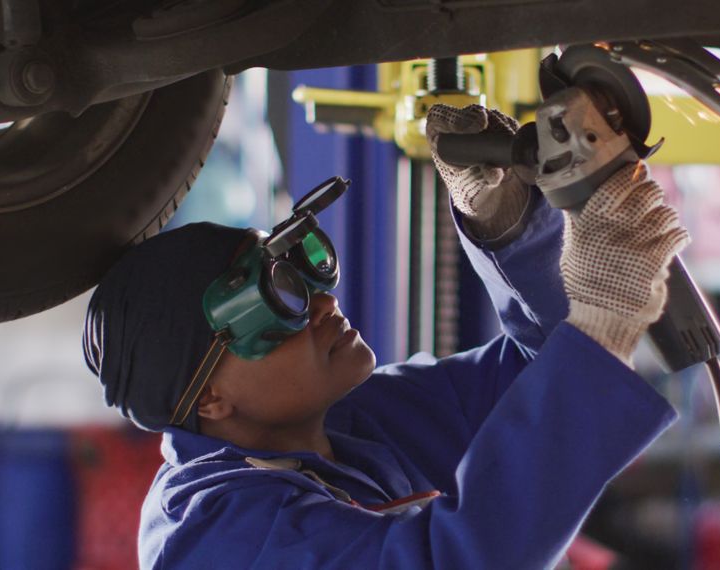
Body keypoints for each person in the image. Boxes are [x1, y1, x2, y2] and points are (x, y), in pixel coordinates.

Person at [82, 104, 689, 569]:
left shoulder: (338, 427)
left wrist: (505, 226)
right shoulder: (216, 538)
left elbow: (537, 375)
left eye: (305, 272)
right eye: (279, 303)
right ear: (210, 397)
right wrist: (604, 312)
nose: (323, 303)